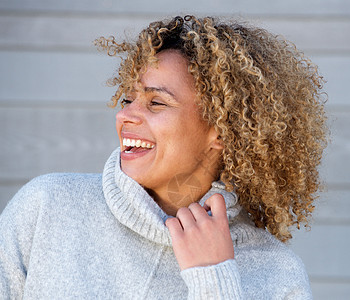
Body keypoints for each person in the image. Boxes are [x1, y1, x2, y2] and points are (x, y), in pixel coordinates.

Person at [0, 15, 327, 299]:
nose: (126, 115)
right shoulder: (48, 208)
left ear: (223, 131)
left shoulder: (276, 275)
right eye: (128, 99)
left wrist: (214, 279)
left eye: (157, 103)